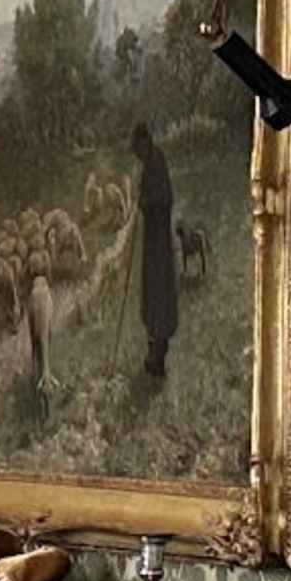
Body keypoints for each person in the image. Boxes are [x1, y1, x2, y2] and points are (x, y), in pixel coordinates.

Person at [131, 119, 179, 383]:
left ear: (145, 142)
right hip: (152, 240)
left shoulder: (157, 162)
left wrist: (147, 202)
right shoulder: (150, 163)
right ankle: (154, 350)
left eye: (138, 148)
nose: (137, 154)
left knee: (159, 293)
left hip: (159, 241)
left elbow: (164, 198)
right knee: (151, 292)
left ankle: (159, 355)